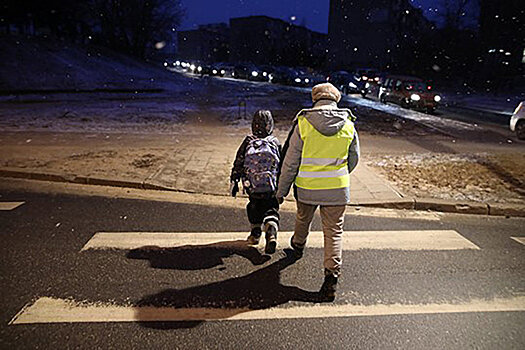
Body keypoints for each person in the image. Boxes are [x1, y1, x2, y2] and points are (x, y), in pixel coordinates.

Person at [276, 83, 359, 301]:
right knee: (334, 232)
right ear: (336, 99)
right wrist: (338, 173)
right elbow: (354, 158)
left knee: (303, 217)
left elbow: (290, 162)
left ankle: (298, 245)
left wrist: (281, 191)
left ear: (315, 98)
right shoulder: (348, 124)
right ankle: (331, 277)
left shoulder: (304, 123)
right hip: (337, 189)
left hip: (307, 187)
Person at [230, 110, 282, 254]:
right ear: (270, 125)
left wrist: (234, 180)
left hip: (252, 186)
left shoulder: (248, 141)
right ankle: (271, 228)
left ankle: (255, 234)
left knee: (254, 206)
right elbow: (282, 165)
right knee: (271, 208)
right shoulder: (275, 142)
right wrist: (282, 185)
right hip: (271, 187)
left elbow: (239, 161)